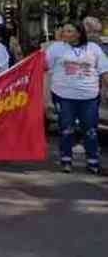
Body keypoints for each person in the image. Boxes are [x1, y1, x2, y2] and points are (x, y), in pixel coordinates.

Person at [45, 21, 108, 174]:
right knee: (66, 128)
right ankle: (66, 161)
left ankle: (93, 162)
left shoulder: (93, 48)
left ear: (78, 33)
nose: (64, 33)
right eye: (64, 30)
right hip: (64, 96)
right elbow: (43, 66)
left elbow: (104, 70)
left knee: (90, 129)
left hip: (89, 96)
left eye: (69, 31)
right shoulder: (56, 48)